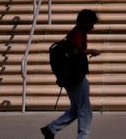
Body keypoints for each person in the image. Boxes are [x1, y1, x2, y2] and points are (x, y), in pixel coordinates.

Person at [41, 9, 101, 139]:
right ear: (85, 22)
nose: (93, 27)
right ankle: (82, 137)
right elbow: (76, 51)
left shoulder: (76, 33)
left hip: (71, 77)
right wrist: (91, 51)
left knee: (76, 109)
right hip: (75, 77)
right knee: (85, 111)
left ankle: (51, 129)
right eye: (91, 23)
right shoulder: (77, 33)